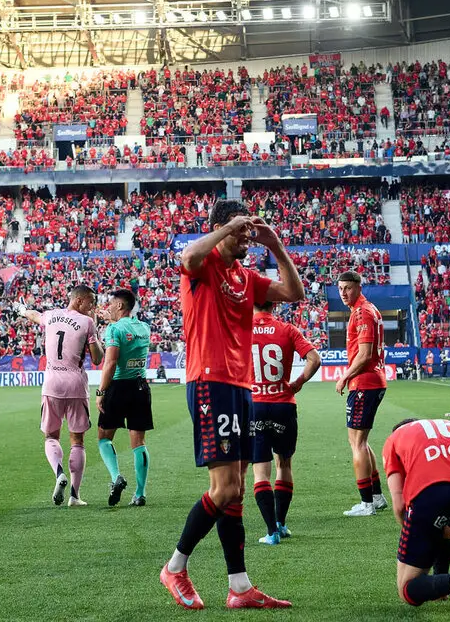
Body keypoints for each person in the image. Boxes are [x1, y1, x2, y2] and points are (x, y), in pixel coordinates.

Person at [160, 200, 303, 610]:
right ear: (222, 228)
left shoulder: (246, 276)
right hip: (210, 381)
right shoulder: (203, 266)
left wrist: (275, 245)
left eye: (247, 232)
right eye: (241, 231)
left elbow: (294, 292)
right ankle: (175, 567)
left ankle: (239, 588)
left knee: (235, 490)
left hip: (241, 388)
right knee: (224, 489)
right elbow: (188, 254)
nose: (246, 238)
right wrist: (228, 229)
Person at [383, 418, 450, 621]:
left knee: (407, 589)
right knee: (444, 517)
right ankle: (442, 587)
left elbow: (399, 505)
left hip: (430, 497)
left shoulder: (394, 439)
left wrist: (417, 536)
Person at [18, 286, 104, 507]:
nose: (92, 306)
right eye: (90, 302)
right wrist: (94, 333)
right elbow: (97, 359)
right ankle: (74, 496)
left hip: (52, 385)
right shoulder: (87, 323)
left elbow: (34, 315)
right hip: (75, 385)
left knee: (51, 436)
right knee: (78, 440)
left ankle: (59, 474)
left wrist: (22, 309)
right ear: (79, 301)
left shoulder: (51, 315)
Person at [249, 299, 321, 545]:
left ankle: (271, 532)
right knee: (284, 464)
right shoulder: (287, 329)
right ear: (274, 304)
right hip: (283, 404)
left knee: (260, 470)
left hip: (255, 405)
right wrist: (297, 383)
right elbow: (315, 359)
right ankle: (280, 523)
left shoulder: (241, 329)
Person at [337, 271, 390, 517]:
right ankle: (377, 497)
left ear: (358, 287)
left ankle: (366, 503)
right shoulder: (369, 310)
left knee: (356, 443)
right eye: (340, 289)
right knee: (362, 442)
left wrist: (345, 376)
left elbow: (366, 354)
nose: (343, 293)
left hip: (364, 383)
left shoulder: (363, 312)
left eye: (348, 288)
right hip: (372, 381)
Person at [95, 289, 153, 507]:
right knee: (138, 442)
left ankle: (115, 476)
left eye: (111, 303)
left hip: (118, 387)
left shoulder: (115, 329)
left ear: (120, 306)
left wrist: (101, 392)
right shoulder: (144, 327)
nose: (108, 306)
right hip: (140, 387)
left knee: (104, 436)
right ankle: (140, 493)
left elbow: (110, 363)